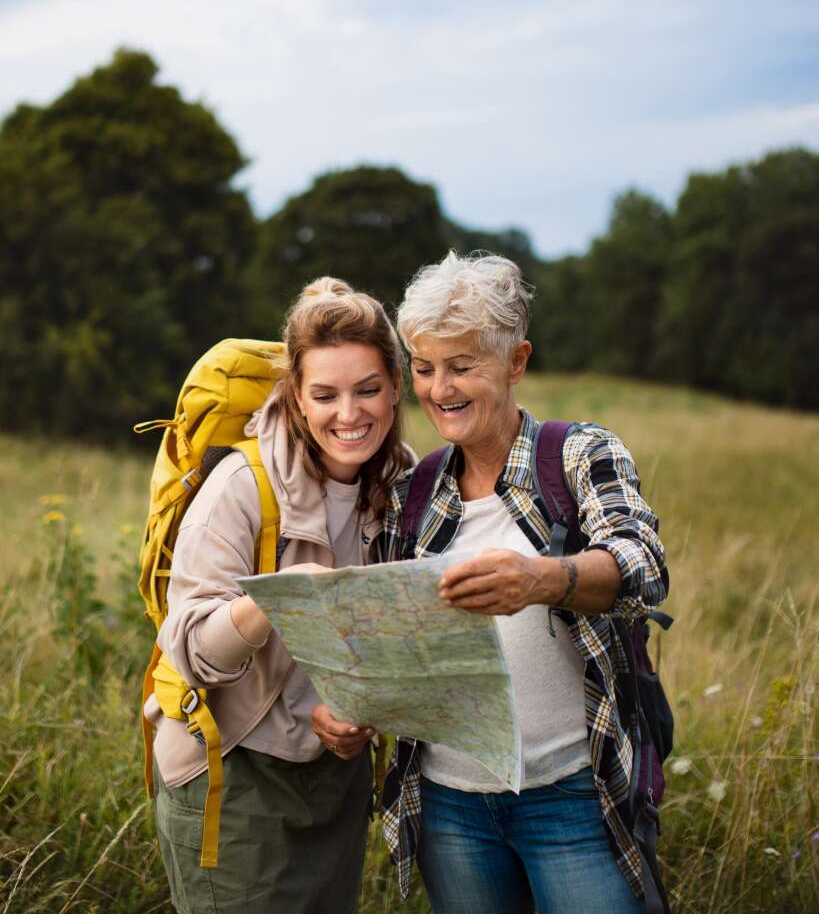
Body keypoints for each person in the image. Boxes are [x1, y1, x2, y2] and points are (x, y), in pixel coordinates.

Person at [338, 251, 669, 913]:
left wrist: (545, 579)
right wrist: (354, 708)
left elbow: (644, 566)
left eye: (462, 366)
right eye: (425, 368)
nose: (440, 388)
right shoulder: (413, 489)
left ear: (515, 362)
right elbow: (387, 639)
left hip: (573, 797)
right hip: (450, 807)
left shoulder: (578, 454)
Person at [148, 277, 410, 914]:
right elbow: (189, 649)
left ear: (396, 389)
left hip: (335, 779)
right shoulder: (242, 486)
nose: (349, 414)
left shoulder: (401, 482)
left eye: (367, 390)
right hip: (234, 773)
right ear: (297, 396)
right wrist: (275, 598)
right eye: (325, 395)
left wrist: (354, 710)